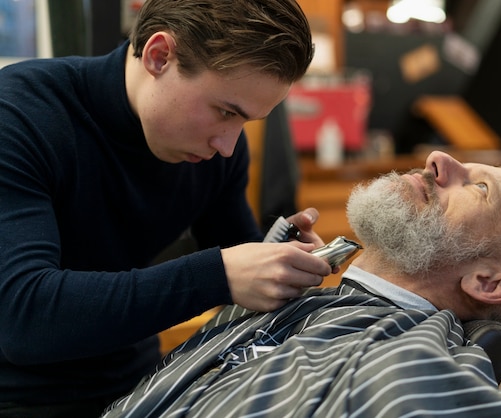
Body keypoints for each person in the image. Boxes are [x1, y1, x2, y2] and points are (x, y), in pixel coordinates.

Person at [0, 1, 333, 416]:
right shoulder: (18, 115)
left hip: (142, 388)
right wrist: (220, 274)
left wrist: (281, 261)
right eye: (226, 112)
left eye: (245, 122)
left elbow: (240, 259)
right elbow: (24, 318)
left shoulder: (217, 152)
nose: (227, 145)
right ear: (159, 56)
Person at [103, 150, 501, 417]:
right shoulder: (301, 298)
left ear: (487, 283)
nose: (439, 159)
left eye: (479, 189)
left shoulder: (412, 356)